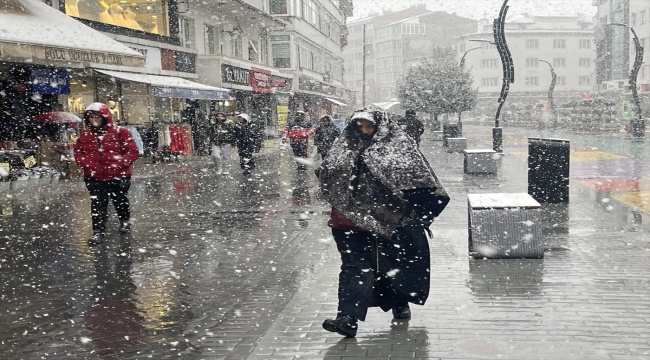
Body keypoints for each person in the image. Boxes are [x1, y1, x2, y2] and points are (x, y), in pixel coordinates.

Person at [315, 105, 450, 338]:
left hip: (390, 221)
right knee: (355, 268)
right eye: (360, 126)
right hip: (349, 223)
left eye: (370, 126)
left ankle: (399, 302)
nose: (365, 131)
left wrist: (415, 212)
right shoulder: (344, 145)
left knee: (391, 265)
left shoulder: (398, 145)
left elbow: (418, 178)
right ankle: (347, 318)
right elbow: (329, 175)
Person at [73, 103, 139, 244]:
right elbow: (78, 152)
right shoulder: (85, 134)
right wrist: (85, 164)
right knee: (98, 204)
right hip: (95, 176)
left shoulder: (121, 132)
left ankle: (125, 222)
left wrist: (120, 165)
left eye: (97, 116)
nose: (94, 120)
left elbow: (133, 151)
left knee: (120, 201)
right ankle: (98, 231)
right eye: (91, 117)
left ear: (104, 117)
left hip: (118, 175)